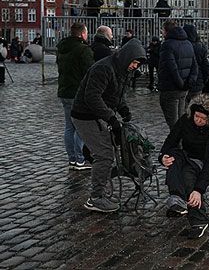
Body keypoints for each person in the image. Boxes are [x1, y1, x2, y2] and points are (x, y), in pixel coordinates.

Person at [71, 39, 147, 212]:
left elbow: (117, 94)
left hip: (98, 115)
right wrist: (111, 118)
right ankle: (96, 198)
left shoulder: (122, 70)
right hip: (85, 115)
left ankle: (101, 189)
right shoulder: (104, 68)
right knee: (104, 155)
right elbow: (92, 98)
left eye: (137, 63)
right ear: (127, 57)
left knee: (106, 152)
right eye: (134, 62)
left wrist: (124, 109)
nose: (135, 66)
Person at [159, 94, 209, 239]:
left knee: (188, 177)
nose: (199, 120)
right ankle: (177, 198)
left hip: (205, 162)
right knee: (173, 156)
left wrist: (198, 190)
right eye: (197, 116)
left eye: (203, 118)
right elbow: (171, 140)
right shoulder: (185, 120)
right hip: (187, 156)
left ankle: (199, 221)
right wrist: (162, 157)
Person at [56, 22, 94, 171]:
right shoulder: (83, 50)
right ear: (83, 34)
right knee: (80, 127)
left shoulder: (62, 48)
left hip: (64, 91)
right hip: (78, 93)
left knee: (69, 127)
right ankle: (80, 160)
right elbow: (90, 72)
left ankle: (72, 158)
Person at [159, 20, 198, 129]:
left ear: (166, 31)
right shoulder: (188, 43)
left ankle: (177, 144)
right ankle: (182, 142)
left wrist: (181, 83)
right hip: (184, 88)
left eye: (163, 30)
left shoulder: (167, 45)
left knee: (173, 121)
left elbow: (172, 68)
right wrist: (188, 83)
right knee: (181, 118)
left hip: (171, 87)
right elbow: (195, 66)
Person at [183, 24, 209, 101]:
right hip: (198, 80)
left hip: (182, 81)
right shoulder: (201, 47)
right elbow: (206, 67)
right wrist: (204, 80)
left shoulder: (181, 46)